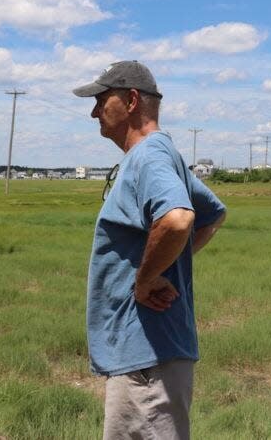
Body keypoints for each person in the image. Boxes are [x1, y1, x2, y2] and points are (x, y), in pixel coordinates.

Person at [73, 60, 226, 439]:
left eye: (100, 100)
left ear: (131, 101)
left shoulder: (149, 156)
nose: (93, 111)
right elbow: (211, 215)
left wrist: (148, 278)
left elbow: (178, 219)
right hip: (151, 353)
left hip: (147, 356)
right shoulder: (160, 153)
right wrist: (167, 261)